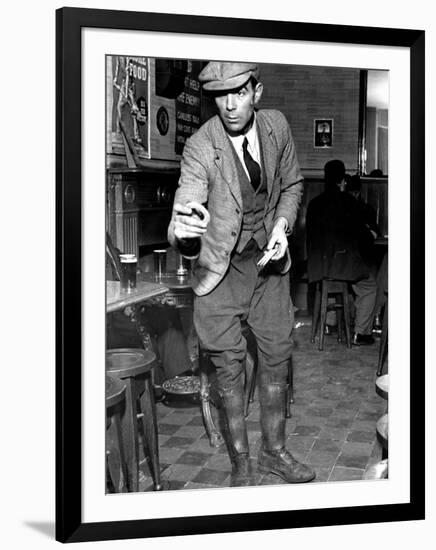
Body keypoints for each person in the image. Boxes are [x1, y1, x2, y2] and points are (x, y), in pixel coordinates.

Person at [168, 61, 315, 486]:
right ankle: (242, 465)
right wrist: (186, 230)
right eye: (220, 95)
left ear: (257, 91)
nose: (229, 105)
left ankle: (275, 453)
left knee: (277, 356)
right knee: (229, 369)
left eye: (238, 93)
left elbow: (292, 186)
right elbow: (187, 205)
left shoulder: (276, 128)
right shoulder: (201, 146)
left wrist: (282, 227)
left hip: (268, 268)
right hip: (220, 271)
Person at [306, 160, 378, 345]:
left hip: (318, 267)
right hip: (341, 266)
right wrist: (371, 234)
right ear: (342, 181)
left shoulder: (314, 204)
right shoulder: (348, 202)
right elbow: (361, 236)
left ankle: (330, 324)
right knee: (369, 286)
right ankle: (361, 334)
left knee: (332, 281)